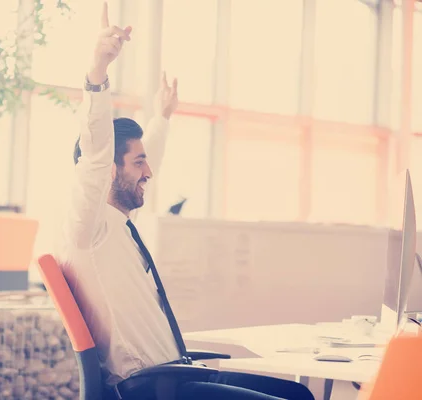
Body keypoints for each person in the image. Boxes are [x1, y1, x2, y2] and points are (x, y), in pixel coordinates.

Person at [54, 3, 315, 399]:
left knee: (299, 394)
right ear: (108, 170)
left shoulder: (118, 224)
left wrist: (161, 119)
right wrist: (98, 71)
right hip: (149, 387)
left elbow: (139, 163)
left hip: (177, 374)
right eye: (137, 162)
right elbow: (96, 154)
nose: (148, 172)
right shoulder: (89, 229)